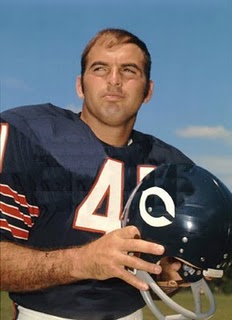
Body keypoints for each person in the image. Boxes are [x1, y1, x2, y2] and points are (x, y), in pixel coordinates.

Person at [0, 28, 193, 320]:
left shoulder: (170, 167)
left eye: (129, 71)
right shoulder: (30, 134)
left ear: (148, 91)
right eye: (100, 68)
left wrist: (165, 275)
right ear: (80, 86)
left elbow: (161, 280)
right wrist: (82, 261)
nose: (114, 80)